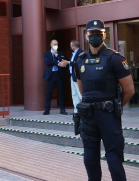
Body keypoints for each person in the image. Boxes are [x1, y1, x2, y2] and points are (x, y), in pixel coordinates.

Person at [75, 19, 134, 181]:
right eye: (91, 33)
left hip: (108, 116)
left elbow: (129, 90)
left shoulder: (114, 59)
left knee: (114, 160)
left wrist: (115, 106)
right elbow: (83, 90)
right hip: (88, 117)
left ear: (104, 35)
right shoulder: (80, 60)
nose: (94, 36)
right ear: (86, 36)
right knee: (90, 159)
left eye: (98, 33)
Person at [43, 39, 68, 115]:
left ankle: (62, 109)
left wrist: (56, 55)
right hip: (50, 75)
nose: (55, 46)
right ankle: (47, 109)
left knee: (60, 92)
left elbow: (63, 61)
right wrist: (57, 62)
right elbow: (48, 62)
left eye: (56, 44)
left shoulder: (60, 53)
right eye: (54, 44)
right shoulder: (47, 54)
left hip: (58, 74)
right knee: (49, 93)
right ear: (51, 45)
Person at [68, 40, 83, 113]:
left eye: (71, 45)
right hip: (72, 76)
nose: (70, 47)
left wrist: (68, 62)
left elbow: (78, 63)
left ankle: (83, 110)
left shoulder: (80, 52)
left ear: (73, 46)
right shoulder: (73, 53)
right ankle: (76, 111)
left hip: (78, 77)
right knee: (74, 94)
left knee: (80, 94)